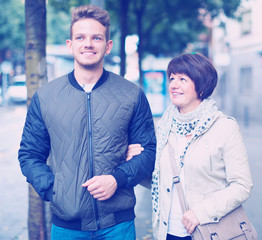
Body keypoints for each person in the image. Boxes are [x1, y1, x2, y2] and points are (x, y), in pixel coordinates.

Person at [18, 4, 156, 240]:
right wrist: (55, 191)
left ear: (108, 46)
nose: (88, 44)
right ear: (70, 45)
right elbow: (29, 154)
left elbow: (149, 151)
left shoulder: (132, 95)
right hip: (66, 227)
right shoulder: (46, 97)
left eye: (96, 37)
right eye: (80, 37)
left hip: (118, 225)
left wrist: (117, 179)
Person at [128, 53, 253, 240]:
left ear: (201, 87)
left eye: (182, 79)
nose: (174, 85)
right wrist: (136, 164)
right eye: (172, 79)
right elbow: (160, 181)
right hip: (167, 232)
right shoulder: (163, 127)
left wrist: (200, 213)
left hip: (210, 230)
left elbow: (242, 185)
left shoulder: (224, 127)